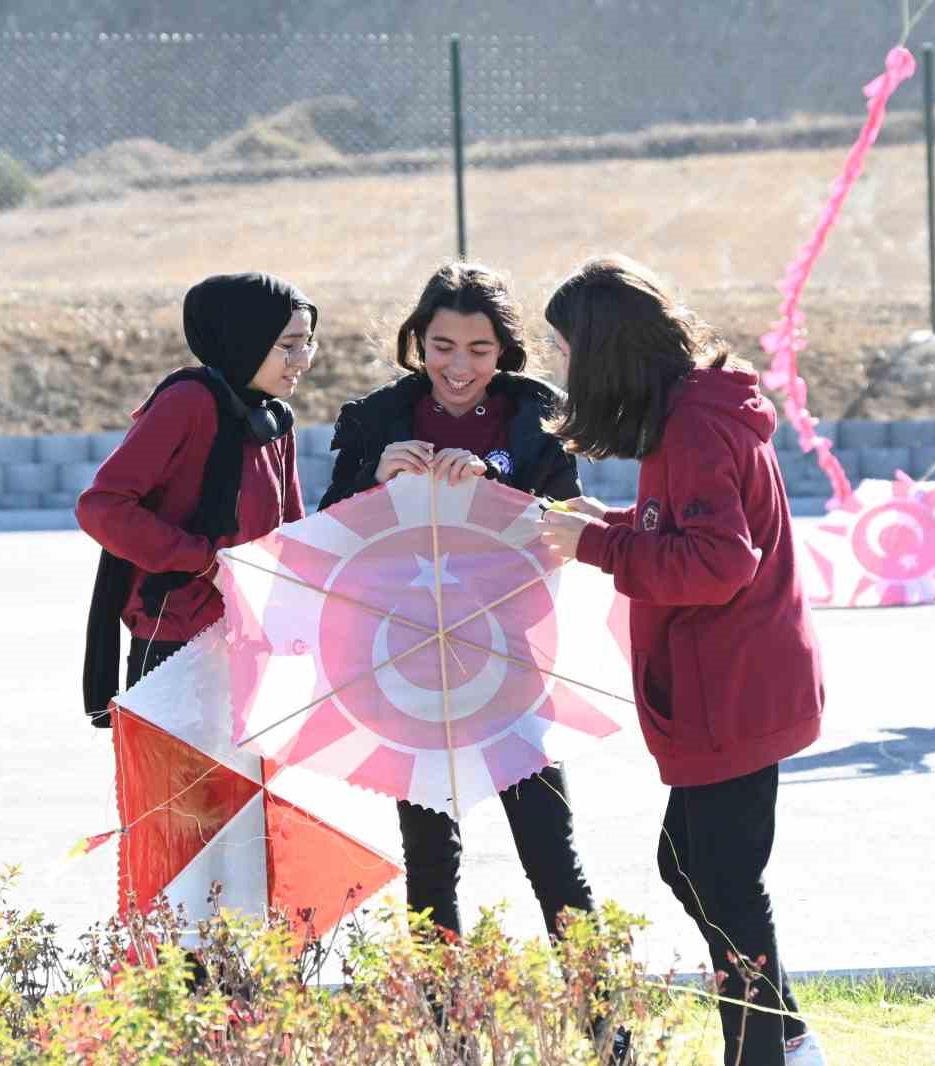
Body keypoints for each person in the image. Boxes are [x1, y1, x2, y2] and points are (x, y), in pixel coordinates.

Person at [537, 255, 826, 1066]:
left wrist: (599, 544)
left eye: (565, 352)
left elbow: (716, 562)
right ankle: (788, 1035)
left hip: (730, 687)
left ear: (605, 353)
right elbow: (691, 523)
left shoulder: (692, 426)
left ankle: (763, 1053)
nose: (561, 368)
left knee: (724, 885)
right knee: (688, 864)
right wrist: (618, 519)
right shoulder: (695, 410)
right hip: (739, 680)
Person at [318, 261, 600, 944]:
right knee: (430, 863)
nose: (458, 366)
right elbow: (326, 536)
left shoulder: (539, 415)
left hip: (511, 662)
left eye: (478, 350)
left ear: (504, 350)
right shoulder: (376, 418)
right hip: (409, 659)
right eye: (441, 346)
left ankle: (605, 1029)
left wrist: (494, 475)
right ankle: (449, 1026)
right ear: (418, 340)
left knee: (551, 854)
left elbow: (567, 519)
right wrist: (371, 477)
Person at [78, 273, 316, 724]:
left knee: (247, 791)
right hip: (178, 639)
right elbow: (102, 507)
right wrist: (206, 561)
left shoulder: (273, 416)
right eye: (288, 345)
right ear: (246, 340)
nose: (303, 359)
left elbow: (290, 530)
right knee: (179, 792)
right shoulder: (188, 402)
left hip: (252, 636)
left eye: (308, 343)